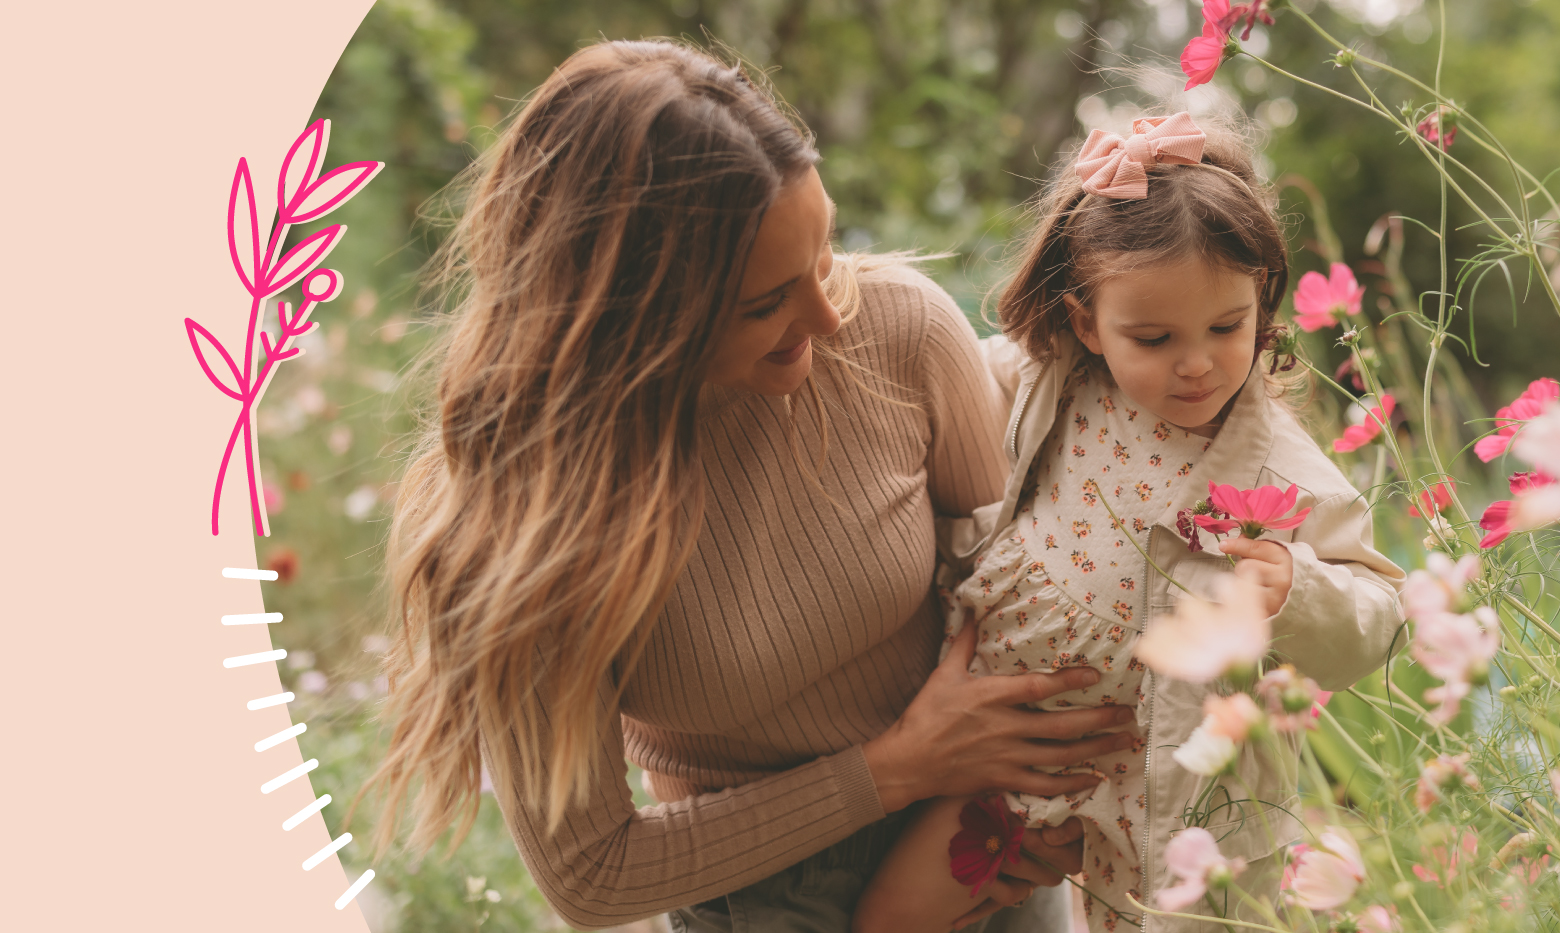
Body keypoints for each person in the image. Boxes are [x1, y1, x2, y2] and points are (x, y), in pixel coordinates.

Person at [364, 40, 1131, 931]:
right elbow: (590, 876)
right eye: (764, 302)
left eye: (823, 248)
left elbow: (1029, 597)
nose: (824, 312)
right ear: (635, 316)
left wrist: (1056, 802)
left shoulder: (903, 334)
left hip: (979, 843)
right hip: (764, 897)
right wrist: (894, 768)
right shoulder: (528, 524)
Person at [851, 112, 1406, 933]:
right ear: (1086, 324)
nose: (1197, 361)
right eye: (1153, 336)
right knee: (890, 918)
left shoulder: (1276, 465)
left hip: (1171, 787)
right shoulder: (1051, 381)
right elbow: (939, 379)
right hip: (1011, 742)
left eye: (1227, 326)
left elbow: (1380, 619)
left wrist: (1299, 589)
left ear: (1261, 301)